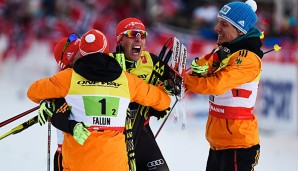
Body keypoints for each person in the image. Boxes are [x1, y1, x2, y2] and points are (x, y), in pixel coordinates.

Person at [27, 29, 171, 171]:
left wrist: (51, 101)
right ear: (107, 50)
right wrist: (163, 87)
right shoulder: (127, 80)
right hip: (115, 165)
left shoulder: (67, 78)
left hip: (78, 164)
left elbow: (33, 92)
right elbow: (164, 102)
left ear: (81, 52)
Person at [185, 0, 262, 170]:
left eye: (224, 24)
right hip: (219, 143)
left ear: (240, 30)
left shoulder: (248, 59)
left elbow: (216, 85)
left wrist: (186, 81)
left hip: (238, 144)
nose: (217, 28)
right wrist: (180, 76)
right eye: (218, 22)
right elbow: (200, 68)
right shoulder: (225, 50)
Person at [111, 17, 170, 171]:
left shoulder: (151, 61)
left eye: (142, 35)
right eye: (133, 34)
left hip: (141, 130)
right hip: (114, 135)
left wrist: (163, 96)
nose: (138, 39)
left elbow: (175, 81)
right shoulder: (107, 63)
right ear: (120, 39)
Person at [36, 33, 82, 171]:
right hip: (67, 157)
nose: (86, 52)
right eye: (80, 50)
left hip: (93, 154)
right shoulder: (64, 80)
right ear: (71, 58)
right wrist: (47, 100)